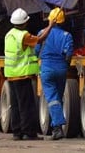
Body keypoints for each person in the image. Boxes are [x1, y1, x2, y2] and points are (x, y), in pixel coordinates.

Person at [4, 8, 54, 141]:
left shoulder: (9, 34)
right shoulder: (24, 36)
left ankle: (17, 133)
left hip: (11, 75)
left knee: (15, 105)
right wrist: (50, 26)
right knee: (26, 106)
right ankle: (29, 133)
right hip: (22, 75)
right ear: (24, 23)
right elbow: (40, 39)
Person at [35, 8, 73, 140]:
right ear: (62, 21)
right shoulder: (67, 36)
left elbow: (36, 52)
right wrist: (65, 66)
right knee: (58, 97)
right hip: (61, 68)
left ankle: (57, 128)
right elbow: (68, 55)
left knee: (52, 99)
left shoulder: (41, 33)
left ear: (50, 20)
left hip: (47, 68)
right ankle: (55, 127)